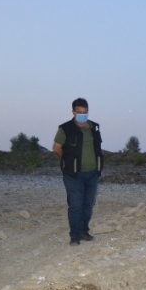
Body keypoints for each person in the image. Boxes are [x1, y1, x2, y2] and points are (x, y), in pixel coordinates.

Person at [53, 98, 104, 245]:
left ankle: (84, 232)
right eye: (79, 112)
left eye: (85, 112)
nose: (82, 115)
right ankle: (74, 236)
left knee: (88, 205)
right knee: (75, 205)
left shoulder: (94, 127)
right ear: (73, 112)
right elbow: (56, 147)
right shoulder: (65, 128)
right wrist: (68, 161)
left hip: (92, 174)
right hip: (73, 175)